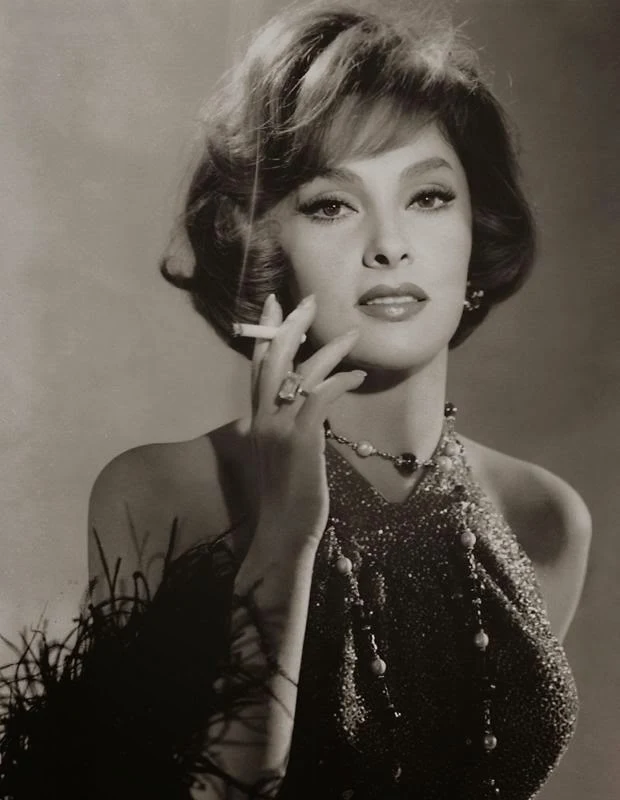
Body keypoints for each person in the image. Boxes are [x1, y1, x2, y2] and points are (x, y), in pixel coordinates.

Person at [84, 2, 591, 799]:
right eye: (332, 205)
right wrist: (286, 532)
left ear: (477, 230)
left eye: (429, 197)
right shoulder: (161, 495)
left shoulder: (543, 519)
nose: (389, 245)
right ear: (261, 243)